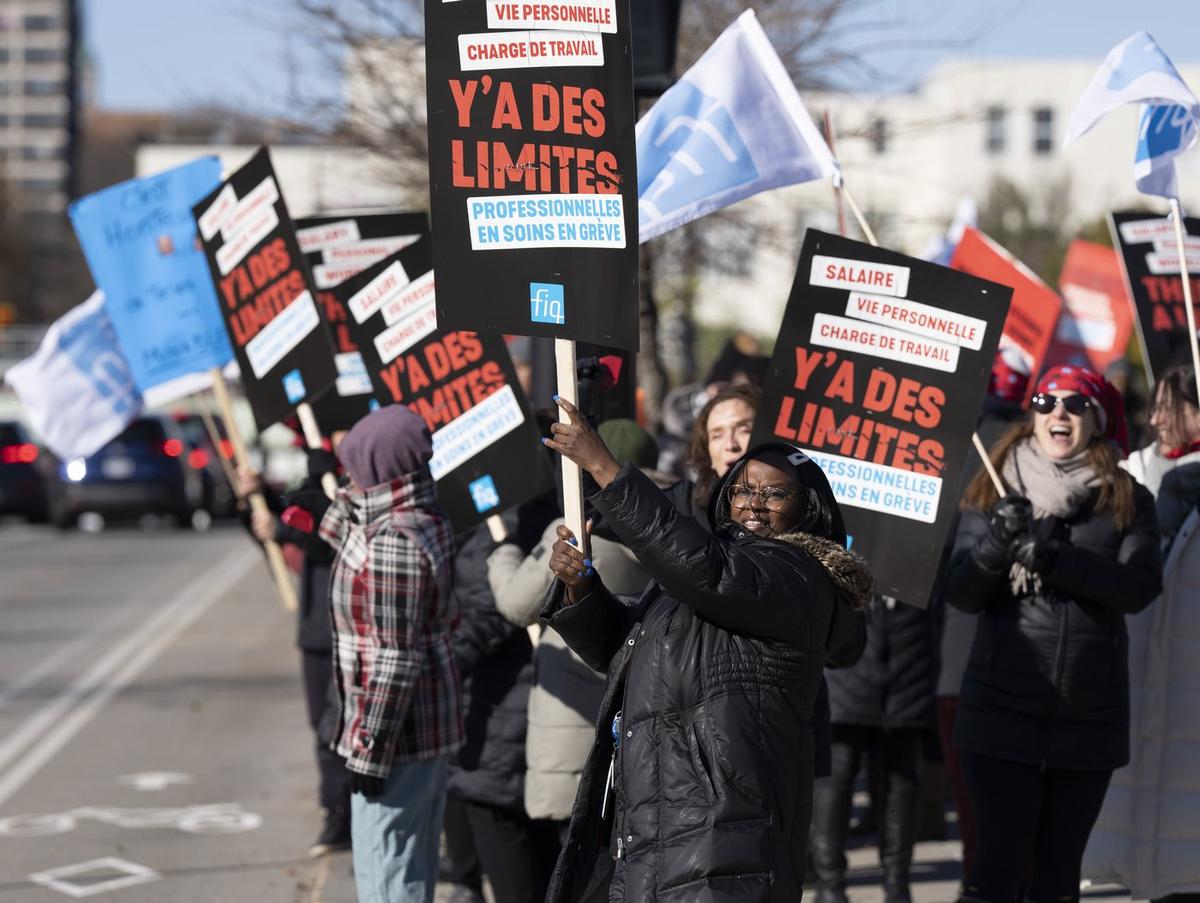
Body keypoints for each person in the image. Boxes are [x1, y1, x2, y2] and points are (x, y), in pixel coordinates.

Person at [538, 397, 872, 903]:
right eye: (743, 490)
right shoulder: (711, 573)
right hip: (656, 824)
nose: (754, 503)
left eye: (775, 493)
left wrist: (604, 468)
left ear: (808, 508)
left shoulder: (796, 575)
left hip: (725, 840)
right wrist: (581, 591)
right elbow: (630, 651)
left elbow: (708, 571)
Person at [947, 364, 1162, 903]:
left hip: (1087, 715)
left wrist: (1056, 560)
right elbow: (962, 592)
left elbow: (1139, 588)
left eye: (1075, 403)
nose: (1058, 412)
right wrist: (997, 542)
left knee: (1058, 877)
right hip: (1000, 708)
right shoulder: (994, 483)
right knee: (996, 869)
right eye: (1046, 402)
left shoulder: (1127, 496)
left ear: (1098, 419)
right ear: (1032, 415)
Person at [485, 420, 660, 847]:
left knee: (579, 862)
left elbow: (515, 605)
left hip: (571, 737)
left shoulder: (572, 533)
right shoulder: (668, 527)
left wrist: (503, 554)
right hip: (641, 730)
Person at [315, 406, 463, 903]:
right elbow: (355, 541)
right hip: (416, 730)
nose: (348, 477)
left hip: (398, 737)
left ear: (378, 467)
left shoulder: (395, 540)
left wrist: (371, 749)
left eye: (354, 466)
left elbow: (396, 658)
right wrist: (326, 503)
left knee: (388, 878)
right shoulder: (411, 513)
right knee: (405, 869)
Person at [1083, 363, 1200, 901]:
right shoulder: (1128, 476)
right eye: (1154, 407)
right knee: (1146, 834)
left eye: (1172, 407)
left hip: (1189, 684)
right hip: (1135, 678)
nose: (1157, 420)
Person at [239, 442, 351, 859]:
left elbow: (335, 537)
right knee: (322, 726)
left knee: (345, 728)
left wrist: (284, 529)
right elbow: (289, 522)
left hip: (349, 626)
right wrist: (256, 500)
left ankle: (348, 811)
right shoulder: (316, 474)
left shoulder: (362, 477)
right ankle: (336, 812)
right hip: (316, 628)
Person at [810, 594, 936, 903]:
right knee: (838, 779)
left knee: (898, 782)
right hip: (855, 661)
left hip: (904, 664)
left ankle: (890, 884)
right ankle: (834, 884)